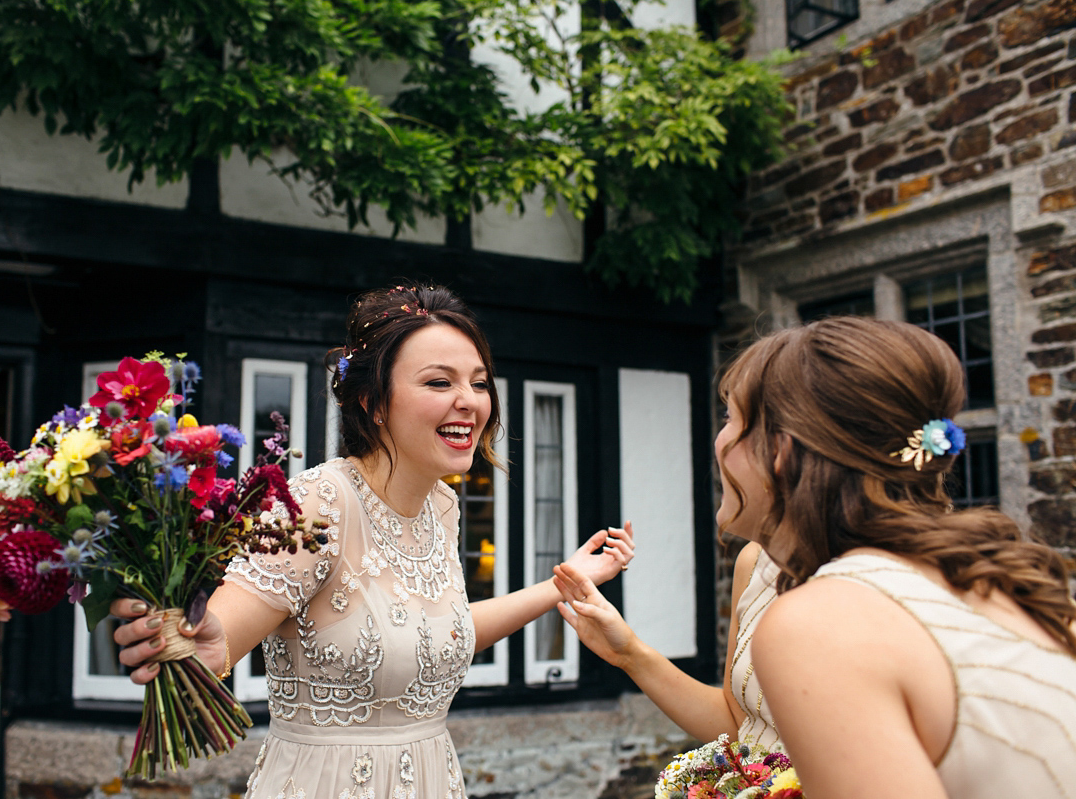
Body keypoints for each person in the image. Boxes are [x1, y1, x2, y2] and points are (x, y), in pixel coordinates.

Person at [110, 283, 634, 798]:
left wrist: (563, 583)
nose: (469, 402)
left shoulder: (442, 507)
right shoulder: (316, 502)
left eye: (479, 383)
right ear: (372, 402)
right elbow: (222, 638)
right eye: (438, 383)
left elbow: (436, 634)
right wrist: (193, 646)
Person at [706, 316, 1076, 798]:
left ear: (781, 449)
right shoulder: (987, 582)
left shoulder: (823, 620)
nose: (719, 440)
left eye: (731, 418)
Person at [553, 459, 782, 746]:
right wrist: (629, 653)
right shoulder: (752, 563)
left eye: (731, 420)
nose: (718, 449)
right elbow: (738, 727)